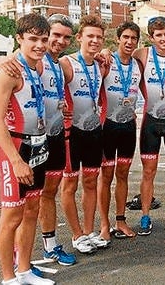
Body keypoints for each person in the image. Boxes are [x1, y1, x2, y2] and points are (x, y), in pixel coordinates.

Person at [0, 14, 78, 267]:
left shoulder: (57, 65)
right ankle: (12, 269)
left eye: (63, 38)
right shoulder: (18, 63)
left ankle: (32, 260)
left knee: (38, 202)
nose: (54, 43)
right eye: (53, 36)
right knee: (15, 211)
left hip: (46, 139)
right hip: (19, 144)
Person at [0, 13, 55, 285]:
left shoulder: (39, 67)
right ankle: (8, 278)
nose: (39, 45)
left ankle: (25, 270)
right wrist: (16, 161)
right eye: (32, 39)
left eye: (43, 39)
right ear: (19, 39)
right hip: (14, 147)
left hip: (37, 143)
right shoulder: (9, 70)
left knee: (32, 210)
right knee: (12, 214)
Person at [131, 16, 165, 235]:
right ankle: (145, 216)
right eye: (159, 35)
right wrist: (106, 53)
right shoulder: (143, 54)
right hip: (150, 121)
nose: (164, 39)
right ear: (151, 37)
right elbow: (120, 56)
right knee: (148, 172)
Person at [60, 15, 109, 253]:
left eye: (99, 37)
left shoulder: (100, 64)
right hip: (72, 134)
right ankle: (76, 234)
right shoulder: (66, 63)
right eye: (90, 36)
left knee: (90, 182)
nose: (95, 41)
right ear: (79, 38)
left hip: (93, 132)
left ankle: (89, 231)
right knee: (69, 185)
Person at [97, 21, 143, 241]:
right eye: (125, 37)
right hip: (108, 125)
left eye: (133, 38)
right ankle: (104, 225)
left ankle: (120, 220)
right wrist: (103, 51)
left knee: (123, 174)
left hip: (127, 126)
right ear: (118, 39)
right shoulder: (106, 61)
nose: (129, 41)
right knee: (106, 176)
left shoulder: (138, 65)